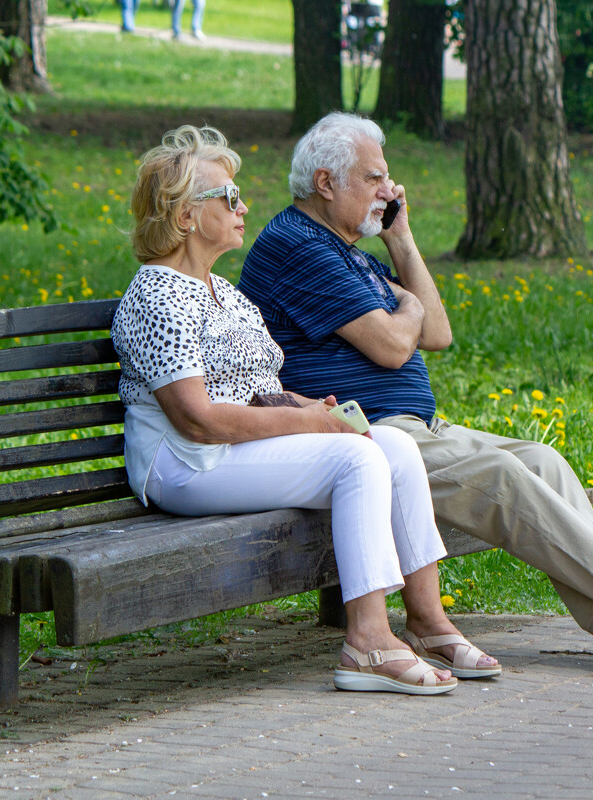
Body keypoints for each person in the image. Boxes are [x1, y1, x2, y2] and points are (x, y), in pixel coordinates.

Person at [238, 112, 593, 674]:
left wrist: (402, 238)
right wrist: (408, 308)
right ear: (326, 183)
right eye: (374, 179)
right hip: (366, 436)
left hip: (409, 427)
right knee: (501, 474)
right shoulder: (299, 245)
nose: (388, 191)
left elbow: (437, 335)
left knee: (542, 460)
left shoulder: (348, 251)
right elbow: (397, 345)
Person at [112, 124, 500, 695]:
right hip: (187, 463)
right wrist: (312, 421)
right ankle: (366, 642)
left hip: (232, 448)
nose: (243, 206)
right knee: (355, 461)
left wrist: (317, 408)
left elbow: (256, 386)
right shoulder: (157, 295)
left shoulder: (226, 293)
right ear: (186, 216)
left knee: (390, 446)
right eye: (228, 197)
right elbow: (199, 418)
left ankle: (429, 619)